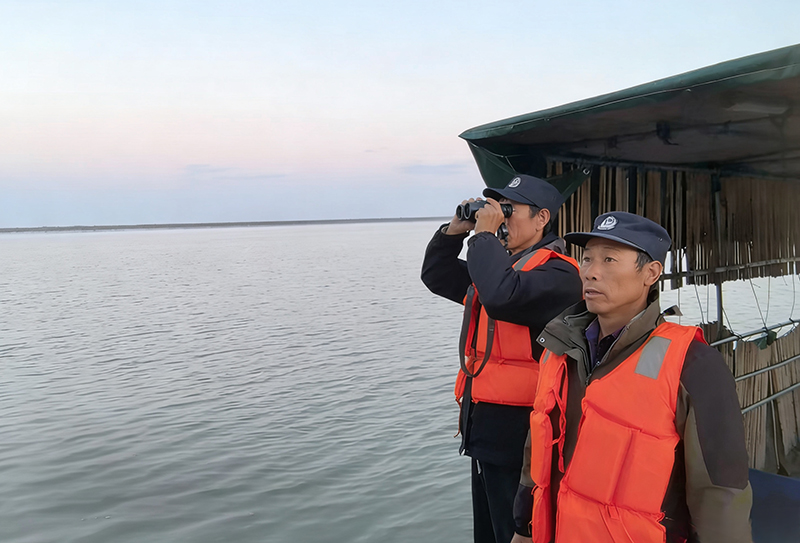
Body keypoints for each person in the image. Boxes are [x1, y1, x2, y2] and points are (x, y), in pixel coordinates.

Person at [512, 211, 752, 543]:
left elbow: (719, 493)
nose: (591, 272)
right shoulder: (559, 349)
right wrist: (524, 528)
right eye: (587, 259)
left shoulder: (693, 364)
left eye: (609, 260)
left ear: (650, 273)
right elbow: (536, 450)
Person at [421, 175, 583, 543]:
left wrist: (483, 238)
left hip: (524, 437)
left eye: (508, 210)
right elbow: (436, 275)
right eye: (497, 210)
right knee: (490, 532)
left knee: (517, 530)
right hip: (486, 429)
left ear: (542, 218)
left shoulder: (559, 274)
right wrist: (455, 230)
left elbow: (500, 296)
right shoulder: (501, 270)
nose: (500, 218)